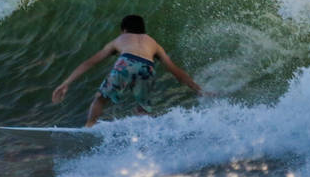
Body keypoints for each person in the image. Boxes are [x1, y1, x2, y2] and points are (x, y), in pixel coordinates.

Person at [52, 14, 205, 126]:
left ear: (124, 30)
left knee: (101, 98)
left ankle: (89, 127)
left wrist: (66, 83)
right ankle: (144, 135)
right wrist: (197, 89)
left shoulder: (119, 40)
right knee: (143, 109)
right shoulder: (154, 43)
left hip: (126, 62)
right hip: (147, 67)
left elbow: (90, 62)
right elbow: (174, 70)